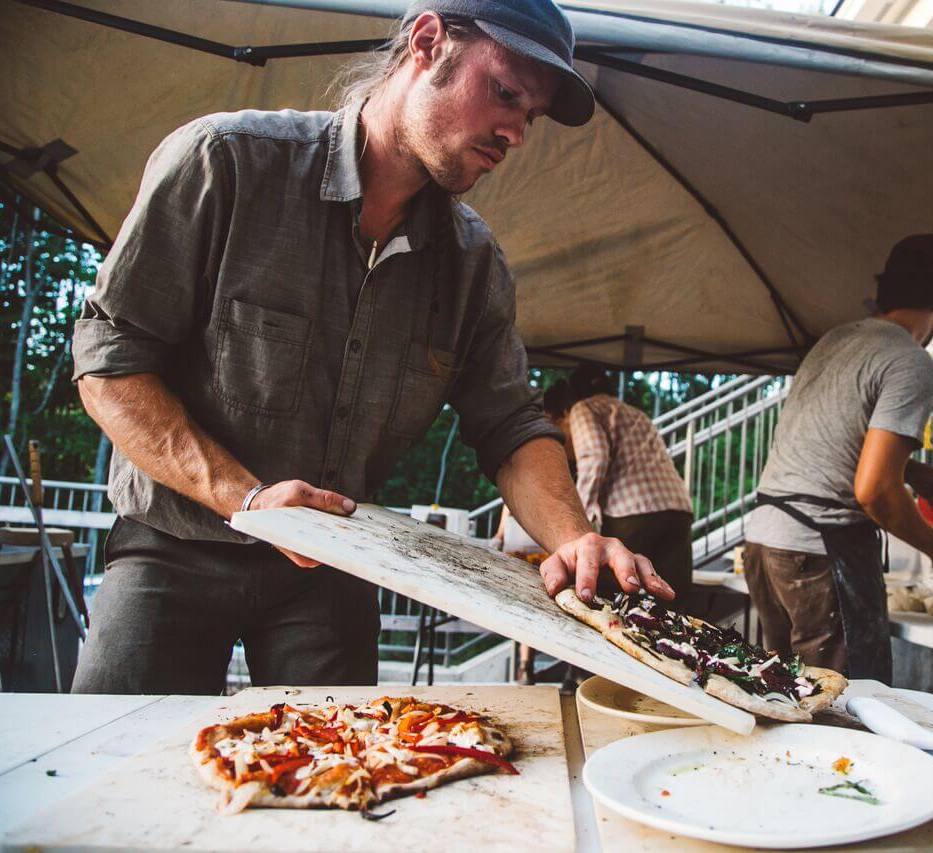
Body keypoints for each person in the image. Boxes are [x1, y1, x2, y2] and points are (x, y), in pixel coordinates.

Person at [69, 0, 673, 695]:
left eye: (529, 115)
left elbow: (508, 424)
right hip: (172, 544)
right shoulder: (226, 163)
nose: (514, 132)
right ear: (425, 40)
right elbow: (108, 363)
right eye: (505, 92)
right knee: (113, 766)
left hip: (334, 568)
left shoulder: (474, 264)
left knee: (355, 779)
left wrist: (573, 538)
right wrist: (246, 496)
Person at [742, 234, 933, 682]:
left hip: (765, 545)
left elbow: (832, 443)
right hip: (816, 554)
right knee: (847, 706)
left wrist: (916, 473)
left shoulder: (836, 339)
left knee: (785, 697)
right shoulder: (911, 362)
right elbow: (875, 492)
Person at [544, 370, 695, 606]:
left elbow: (594, 455)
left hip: (631, 512)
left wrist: (580, 516)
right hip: (676, 510)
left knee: (612, 595)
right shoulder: (634, 413)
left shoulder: (583, 408)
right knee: (673, 596)